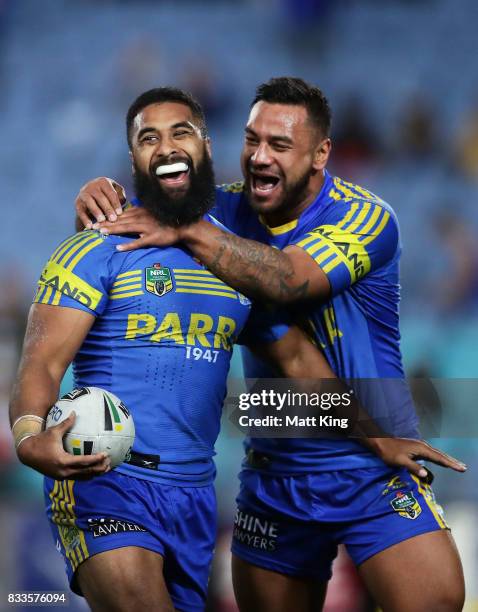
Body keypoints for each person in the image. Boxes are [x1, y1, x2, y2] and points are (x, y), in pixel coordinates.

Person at [76, 78, 466, 612]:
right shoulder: (228, 210)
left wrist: (189, 229)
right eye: (251, 140)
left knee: (436, 602)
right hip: (275, 471)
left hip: (369, 459)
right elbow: (160, 196)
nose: (259, 158)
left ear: (320, 153)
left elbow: (289, 280)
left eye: (279, 146)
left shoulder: (367, 218)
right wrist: (103, 192)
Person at [11, 87, 365, 612]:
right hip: (106, 480)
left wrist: (380, 435)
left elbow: (296, 360)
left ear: (205, 145)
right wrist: (27, 437)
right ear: (133, 159)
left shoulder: (234, 263)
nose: (166, 146)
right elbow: (41, 361)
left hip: (194, 495)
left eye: (181, 132)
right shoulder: (95, 248)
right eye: (148, 138)